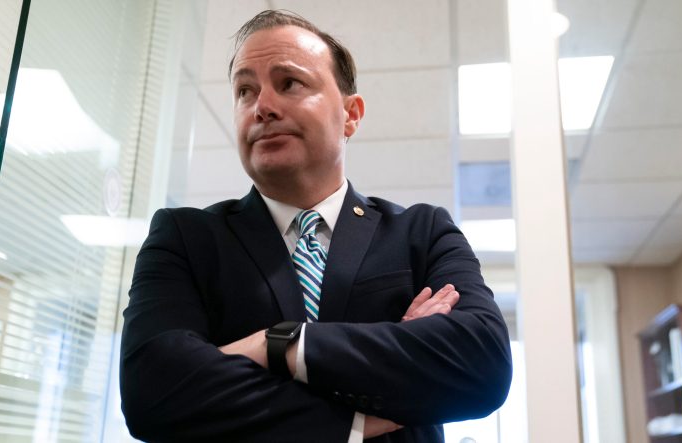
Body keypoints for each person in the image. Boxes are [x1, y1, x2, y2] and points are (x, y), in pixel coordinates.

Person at [120, 10, 512, 443]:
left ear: (351, 115)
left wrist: (281, 345)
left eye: (289, 83)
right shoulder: (184, 238)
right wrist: (362, 412)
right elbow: (151, 393)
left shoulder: (422, 232)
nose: (262, 107)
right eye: (245, 91)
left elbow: (482, 365)